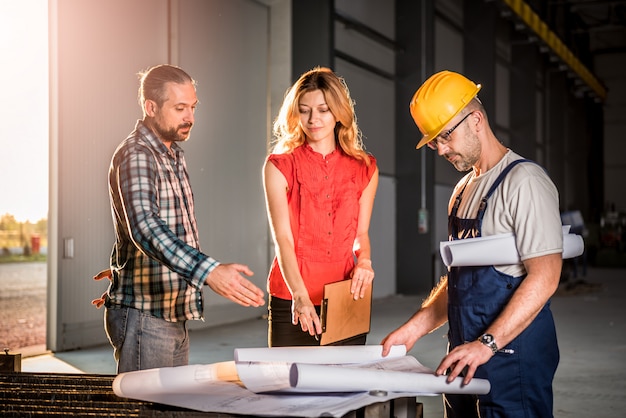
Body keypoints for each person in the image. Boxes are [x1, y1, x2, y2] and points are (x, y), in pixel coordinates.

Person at [381, 70, 563, 417]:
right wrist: (415, 327)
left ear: (476, 119)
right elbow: (462, 279)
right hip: (464, 355)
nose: (441, 149)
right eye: (434, 141)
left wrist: (487, 344)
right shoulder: (462, 192)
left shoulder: (524, 182)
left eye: (445, 137)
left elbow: (545, 277)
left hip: (513, 359)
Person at [99, 64, 265, 373]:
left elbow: (143, 231)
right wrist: (209, 272)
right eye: (179, 108)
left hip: (171, 314)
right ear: (150, 107)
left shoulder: (173, 154)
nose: (190, 117)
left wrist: (121, 267)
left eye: (192, 107)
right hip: (146, 316)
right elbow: (145, 227)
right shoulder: (138, 154)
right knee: (146, 409)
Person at [263, 67, 379, 347]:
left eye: (323, 109)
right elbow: (283, 239)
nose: (313, 119)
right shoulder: (279, 165)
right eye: (304, 110)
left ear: (338, 112)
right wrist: (300, 296)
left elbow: (360, 234)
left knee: (345, 389)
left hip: (345, 296)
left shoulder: (365, 167)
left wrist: (364, 261)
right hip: (292, 296)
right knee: (289, 388)